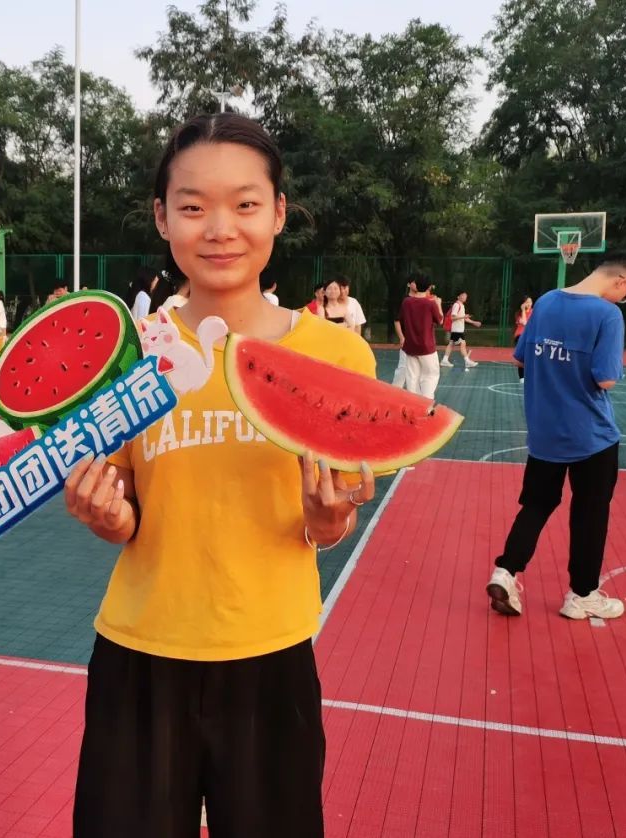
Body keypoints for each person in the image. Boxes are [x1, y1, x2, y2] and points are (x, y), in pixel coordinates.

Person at [64, 112, 377, 838]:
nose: (220, 229)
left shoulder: (336, 357)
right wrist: (108, 515)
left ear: (278, 213)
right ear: (162, 218)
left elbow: (332, 517)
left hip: (271, 655)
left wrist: (329, 521)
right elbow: (127, 511)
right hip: (140, 652)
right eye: (193, 207)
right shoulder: (131, 354)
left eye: (244, 204)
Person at [486, 251, 626, 621]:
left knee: (536, 505)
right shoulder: (607, 315)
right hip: (591, 435)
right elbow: (606, 378)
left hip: (545, 430)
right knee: (590, 514)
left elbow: (520, 357)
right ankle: (582, 595)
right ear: (621, 281)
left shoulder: (546, 302)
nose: (622, 299)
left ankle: (505, 571)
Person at [399, 276, 443, 399]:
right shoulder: (430, 304)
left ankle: (414, 404)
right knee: (430, 375)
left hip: (410, 346)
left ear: (416, 286)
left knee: (412, 378)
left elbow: (401, 320)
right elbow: (440, 320)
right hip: (426, 347)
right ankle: (427, 402)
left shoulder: (406, 302)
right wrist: (438, 304)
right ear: (429, 287)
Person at [441, 291, 481, 369]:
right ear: (458, 297)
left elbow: (463, 318)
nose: (465, 297)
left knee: (451, 344)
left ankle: (444, 360)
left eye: (466, 296)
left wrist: (474, 322)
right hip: (457, 330)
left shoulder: (462, 305)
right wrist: (463, 317)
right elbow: (452, 317)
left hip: (458, 330)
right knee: (463, 344)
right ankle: (467, 361)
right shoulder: (456, 305)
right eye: (463, 295)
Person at [391, 278, 418, 388]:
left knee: (418, 369)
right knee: (403, 367)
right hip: (407, 339)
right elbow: (397, 320)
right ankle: (395, 390)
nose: (417, 284)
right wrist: (402, 337)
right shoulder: (404, 301)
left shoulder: (423, 300)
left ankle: (416, 393)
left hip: (419, 340)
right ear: (408, 284)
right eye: (414, 282)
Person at [512, 295, 533, 381]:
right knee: (522, 356)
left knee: (530, 357)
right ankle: (522, 377)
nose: (529, 304)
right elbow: (524, 323)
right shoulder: (518, 313)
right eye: (527, 302)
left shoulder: (534, 312)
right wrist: (523, 310)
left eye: (530, 302)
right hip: (520, 336)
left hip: (530, 337)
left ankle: (529, 375)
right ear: (523, 304)